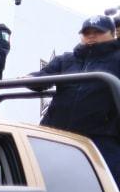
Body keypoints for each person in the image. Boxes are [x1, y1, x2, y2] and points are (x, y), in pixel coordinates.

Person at [31, 14, 120, 182]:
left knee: (109, 187)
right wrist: (28, 79)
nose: (92, 36)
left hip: (101, 137)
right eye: (87, 32)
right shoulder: (66, 59)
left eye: (98, 31)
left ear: (112, 34)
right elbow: (41, 79)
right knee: (39, 177)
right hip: (56, 132)